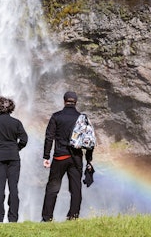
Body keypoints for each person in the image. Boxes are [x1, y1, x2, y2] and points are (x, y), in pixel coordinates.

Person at [41, 91, 94, 221]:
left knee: (53, 188)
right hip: (76, 158)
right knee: (76, 189)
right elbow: (89, 140)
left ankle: (47, 218)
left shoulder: (56, 116)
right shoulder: (82, 118)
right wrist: (88, 160)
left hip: (60, 157)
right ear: (76, 102)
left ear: (64, 101)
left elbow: (49, 137)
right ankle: (73, 216)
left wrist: (46, 156)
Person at [0, 96, 28, 223]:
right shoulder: (17, 123)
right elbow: (24, 139)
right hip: (14, 158)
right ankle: (13, 218)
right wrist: (16, 148)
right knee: (13, 188)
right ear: (11, 108)